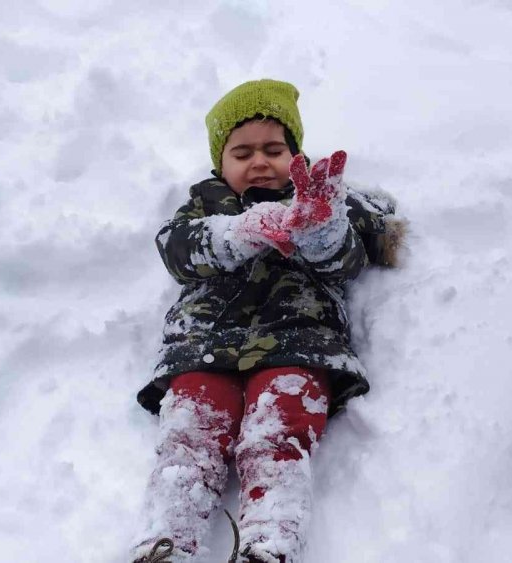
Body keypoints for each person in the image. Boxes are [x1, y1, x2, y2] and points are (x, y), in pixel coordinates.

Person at [132, 79, 404, 563]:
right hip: (203, 345)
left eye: (274, 149)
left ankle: (270, 544)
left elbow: (352, 260)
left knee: (279, 437)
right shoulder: (204, 204)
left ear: (295, 154)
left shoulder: (323, 202)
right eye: (242, 152)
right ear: (220, 163)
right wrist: (237, 231)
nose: (259, 161)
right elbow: (177, 252)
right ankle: (166, 546)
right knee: (188, 441)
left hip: (298, 342)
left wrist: (320, 229)